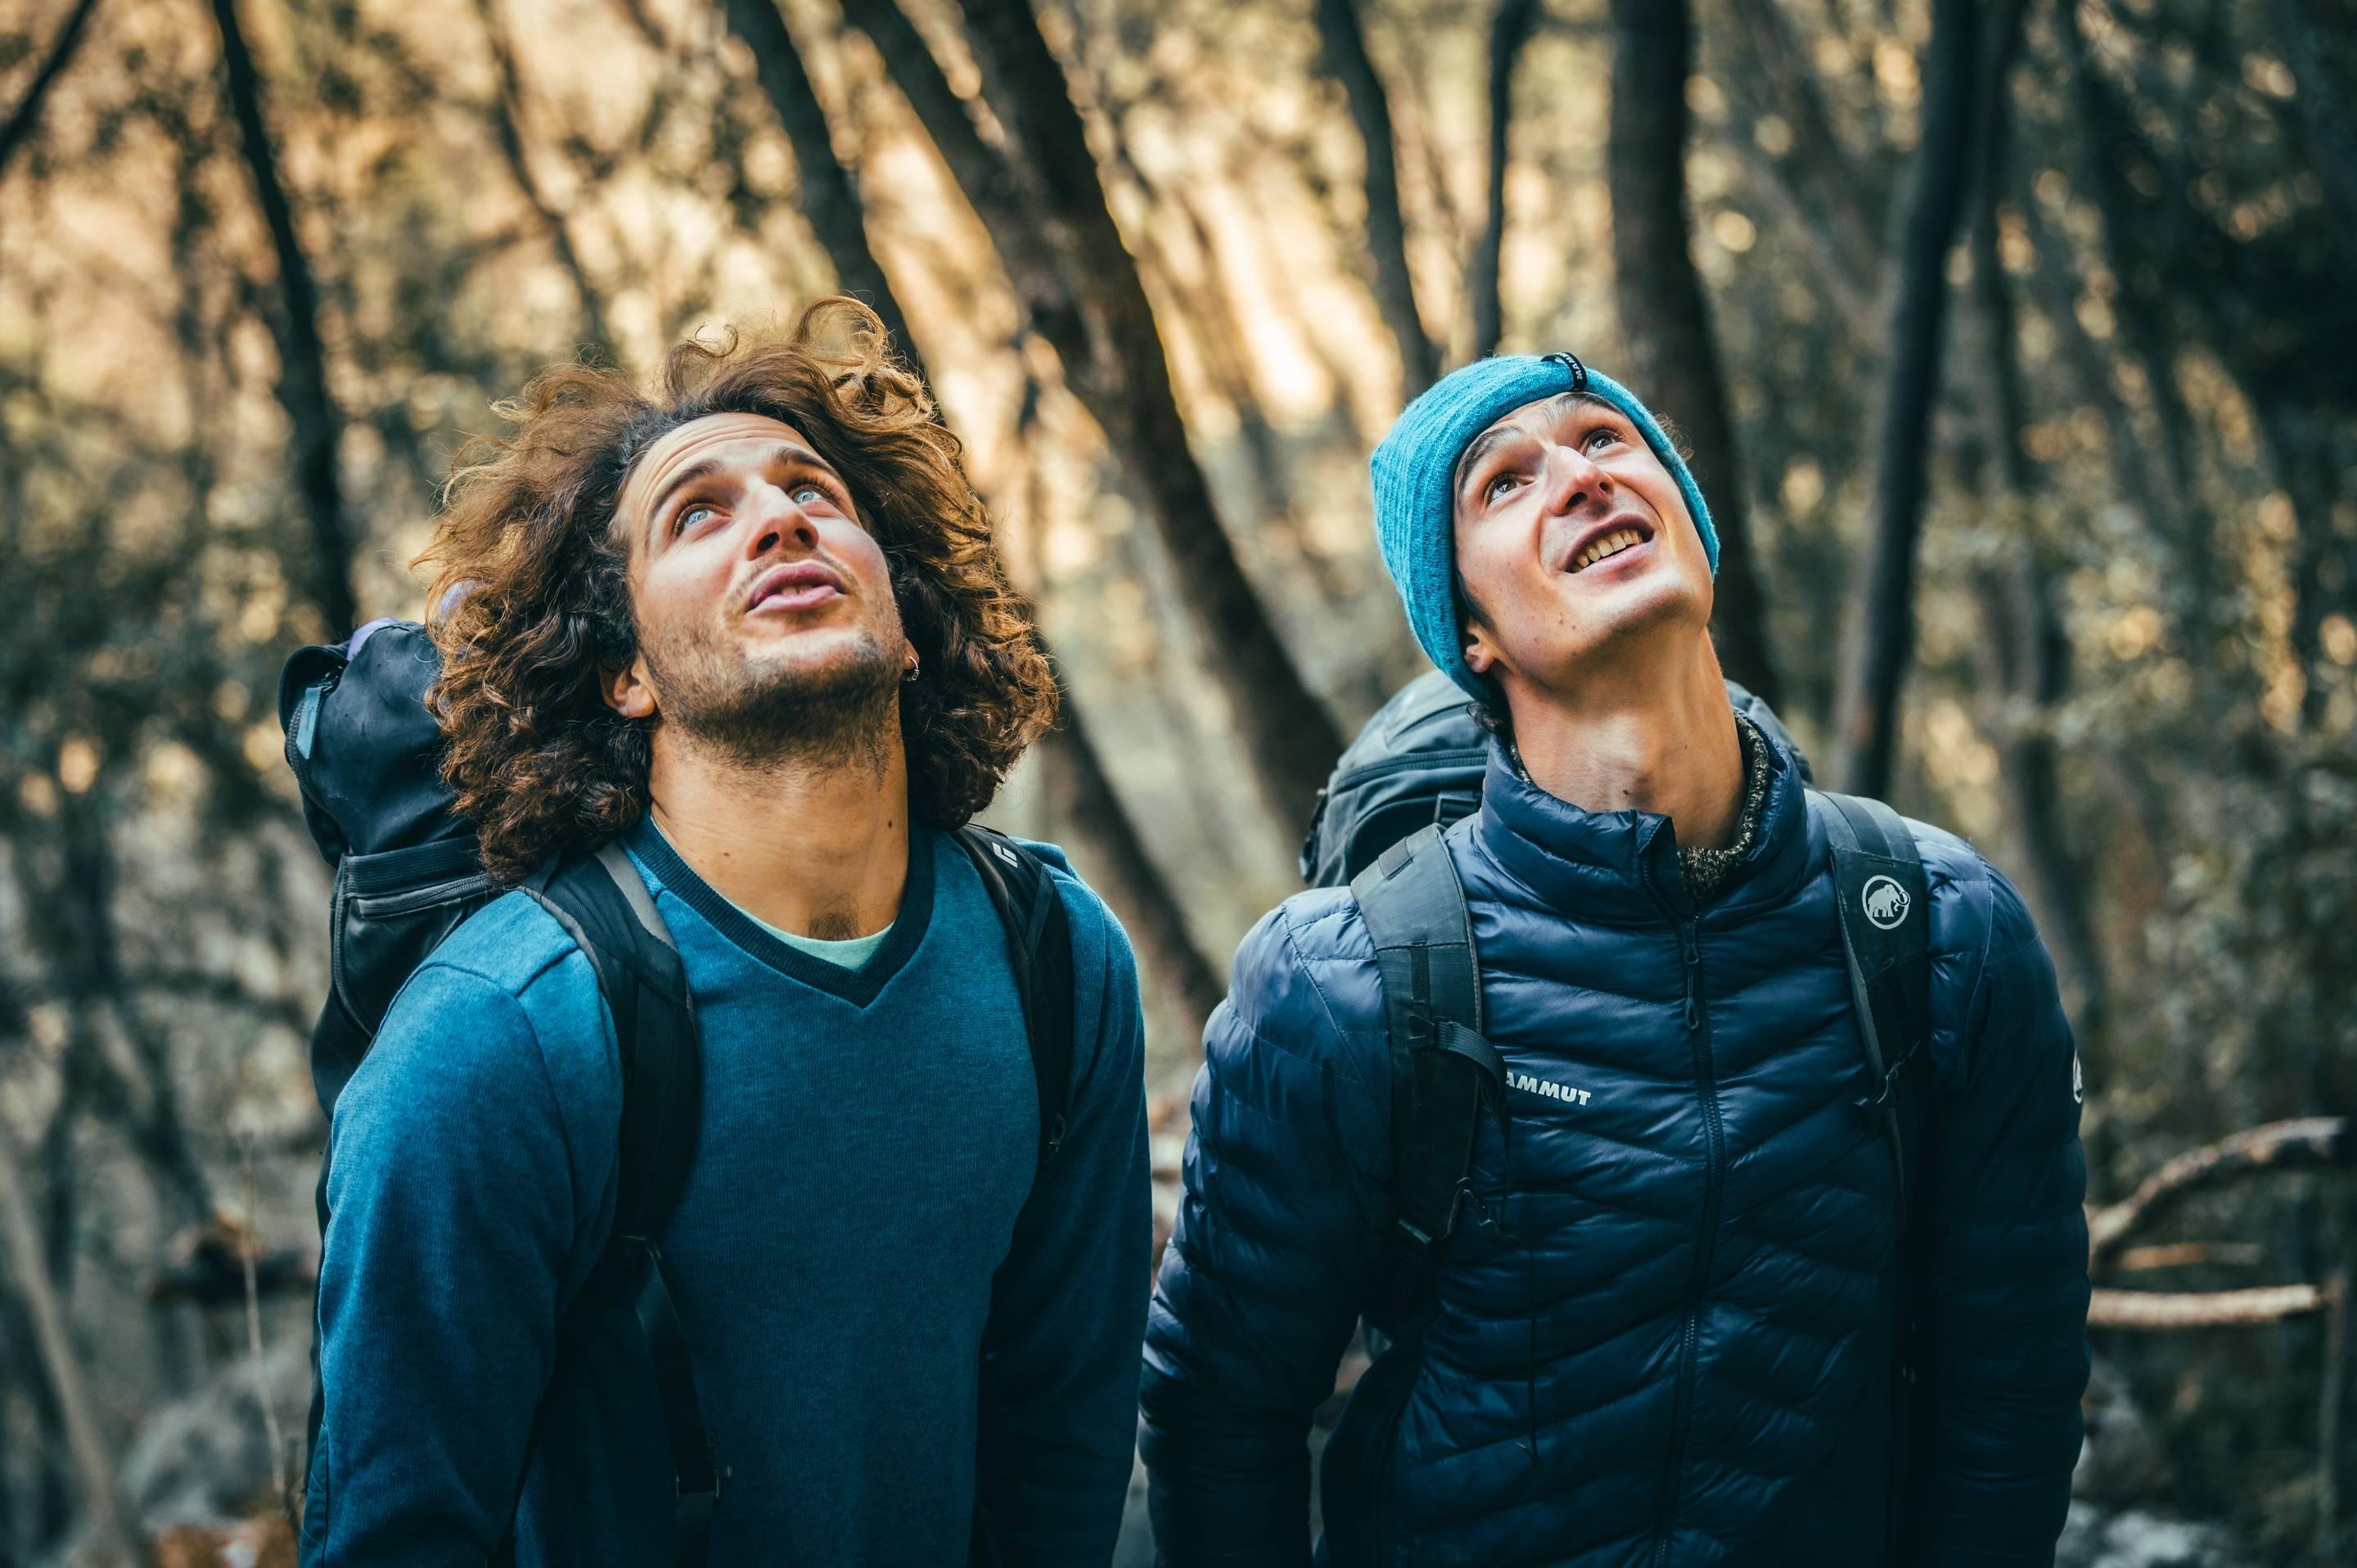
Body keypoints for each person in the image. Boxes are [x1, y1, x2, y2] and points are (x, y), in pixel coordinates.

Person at [1139, 353, 2089, 1566]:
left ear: (1689, 518)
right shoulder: (1346, 986)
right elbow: (1222, 1420)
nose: (1580, 479)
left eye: (1604, 439)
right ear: (1471, 634)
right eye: (1503, 484)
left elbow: (2009, 1387)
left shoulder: (1938, 929)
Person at [302, 300, 1149, 1566]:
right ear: (624, 673)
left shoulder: (1057, 962)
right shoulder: (494, 1044)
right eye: (698, 512)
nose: (781, 516)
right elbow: (395, 1537)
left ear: (905, 626)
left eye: (815, 491)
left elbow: (1067, 1453)